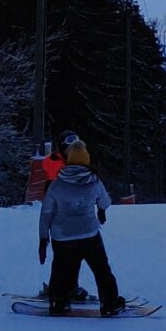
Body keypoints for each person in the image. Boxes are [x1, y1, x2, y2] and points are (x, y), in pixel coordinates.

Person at [40, 134, 124, 317]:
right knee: (101, 270)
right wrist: (100, 209)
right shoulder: (94, 180)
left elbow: (46, 211)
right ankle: (109, 303)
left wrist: (42, 237)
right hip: (89, 234)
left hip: (62, 236)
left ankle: (58, 302)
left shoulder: (57, 184)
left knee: (60, 269)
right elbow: (105, 202)